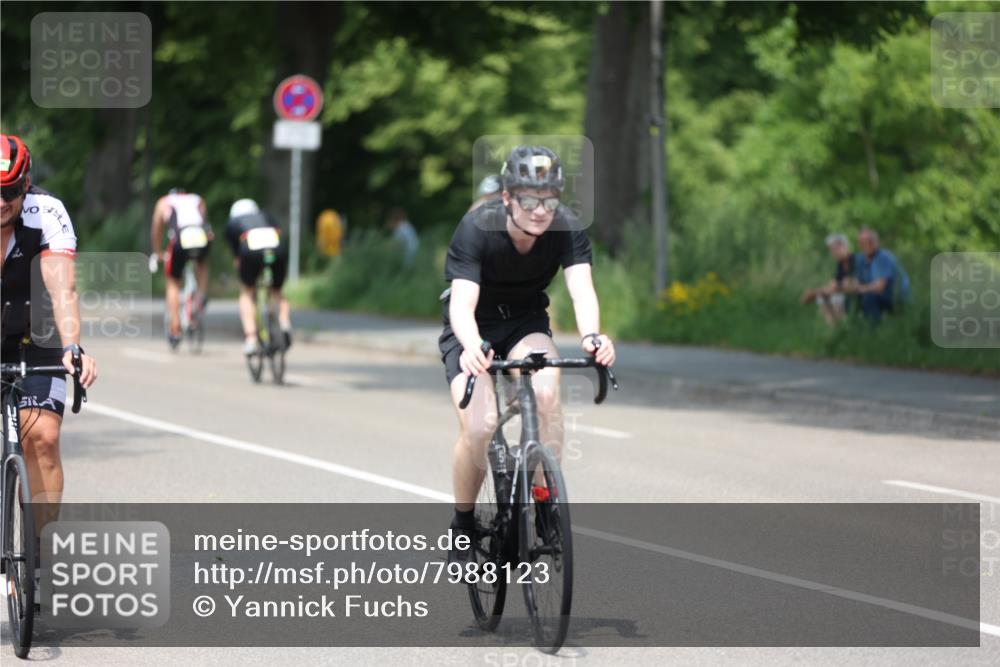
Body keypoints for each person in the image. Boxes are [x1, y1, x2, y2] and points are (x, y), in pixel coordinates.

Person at [439, 145, 615, 564]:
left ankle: (543, 498)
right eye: (529, 200)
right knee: (479, 428)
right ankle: (463, 526)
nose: (540, 210)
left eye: (549, 199)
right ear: (507, 199)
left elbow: (581, 290)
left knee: (548, 394)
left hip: (525, 323)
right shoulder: (476, 227)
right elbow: (461, 305)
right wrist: (472, 347)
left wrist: (592, 337)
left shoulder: (566, 227)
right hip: (472, 328)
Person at [0, 133, 98, 535]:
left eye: (9, 191)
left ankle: (40, 552)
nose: (0, 202)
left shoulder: (47, 213)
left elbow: (62, 289)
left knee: (42, 436)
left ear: (25, 186)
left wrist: (73, 346)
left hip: (34, 335)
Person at [224, 199, 292, 355]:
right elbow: (279, 231)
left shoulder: (233, 222)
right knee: (277, 291)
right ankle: (284, 322)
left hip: (250, 248)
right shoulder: (266, 215)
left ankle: (251, 339)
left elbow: (237, 254)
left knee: (247, 292)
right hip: (276, 247)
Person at [150, 187, 212, 348]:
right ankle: (200, 296)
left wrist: (158, 251)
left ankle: (176, 328)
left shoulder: (164, 202)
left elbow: (157, 229)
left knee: (173, 281)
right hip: (201, 237)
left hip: (180, 239)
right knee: (202, 264)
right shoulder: (197, 198)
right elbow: (204, 219)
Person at [849, 227, 910, 324]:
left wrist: (859, 289)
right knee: (849, 297)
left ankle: (874, 332)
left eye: (869, 241)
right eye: (862, 242)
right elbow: (854, 280)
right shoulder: (860, 258)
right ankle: (849, 328)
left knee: (869, 298)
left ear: (876, 242)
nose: (866, 245)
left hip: (897, 297)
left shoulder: (883, 257)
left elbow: (879, 287)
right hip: (877, 294)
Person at [799, 233, 857, 326]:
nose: (833, 252)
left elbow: (848, 284)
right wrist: (820, 292)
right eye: (831, 250)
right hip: (845, 292)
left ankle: (844, 327)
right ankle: (832, 329)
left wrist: (815, 292)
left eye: (835, 249)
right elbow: (834, 283)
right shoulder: (841, 264)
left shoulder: (855, 260)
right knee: (821, 298)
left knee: (835, 298)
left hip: (857, 294)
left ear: (845, 246)